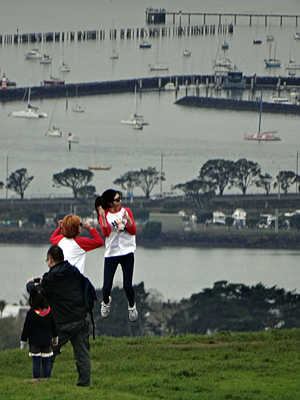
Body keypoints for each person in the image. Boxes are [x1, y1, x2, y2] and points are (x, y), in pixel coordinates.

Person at [26, 245, 91, 387]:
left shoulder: (51, 278)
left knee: (47, 353)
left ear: (50, 260)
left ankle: (41, 383)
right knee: (82, 355)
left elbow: (38, 293)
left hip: (61, 323)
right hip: (80, 319)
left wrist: (30, 284)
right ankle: (85, 384)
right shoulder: (74, 271)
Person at [95, 189, 138, 322]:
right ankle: (106, 302)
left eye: (120, 199)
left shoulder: (126, 211)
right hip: (112, 253)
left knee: (127, 286)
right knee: (106, 287)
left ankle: (131, 306)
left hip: (127, 251)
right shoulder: (105, 214)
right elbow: (106, 233)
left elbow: (133, 230)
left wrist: (128, 220)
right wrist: (102, 216)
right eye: (117, 199)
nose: (120, 201)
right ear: (110, 202)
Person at [20, 284, 58, 379]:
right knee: (46, 363)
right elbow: (54, 327)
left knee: (36, 363)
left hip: (34, 342)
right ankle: (48, 379)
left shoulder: (31, 313)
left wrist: (23, 343)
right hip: (46, 342)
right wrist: (55, 339)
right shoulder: (49, 312)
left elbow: (26, 329)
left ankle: (36, 380)